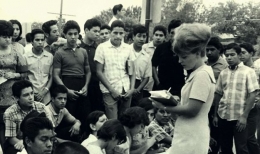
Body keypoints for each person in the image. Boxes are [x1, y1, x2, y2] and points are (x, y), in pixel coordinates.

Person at [151, 23, 215, 154]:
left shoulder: (202, 75)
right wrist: (175, 102)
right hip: (187, 134)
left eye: (184, 57)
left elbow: (192, 110)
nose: (180, 61)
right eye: (178, 56)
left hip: (192, 137)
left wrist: (163, 106)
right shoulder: (197, 73)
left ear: (198, 53)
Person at [213, 43, 259, 154]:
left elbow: (253, 94)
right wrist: (215, 115)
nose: (229, 58)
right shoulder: (223, 73)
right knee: (225, 147)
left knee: (241, 148)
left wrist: (244, 116)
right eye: (226, 55)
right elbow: (218, 94)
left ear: (239, 55)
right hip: (223, 116)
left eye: (232, 54)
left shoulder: (249, 72)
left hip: (240, 117)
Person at [53, 20, 91, 128]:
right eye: (70, 34)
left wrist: (86, 86)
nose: (73, 37)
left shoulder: (83, 51)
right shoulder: (59, 52)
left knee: (84, 115)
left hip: (82, 84)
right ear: (65, 35)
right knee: (69, 117)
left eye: (75, 34)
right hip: (67, 83)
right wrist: (66, 90)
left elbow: (88, 71)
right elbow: (56, 75)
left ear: (79, 35)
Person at [95, 20, 135, 119]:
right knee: (112, 121)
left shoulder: (128, 48)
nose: (118, 36)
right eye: (115, 33)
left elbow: (133, 71)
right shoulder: (102, 48)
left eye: (121, 33)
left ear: (124, 34)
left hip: (126, 90)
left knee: (125, 120)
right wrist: (112, 90)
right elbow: (99, 72)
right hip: (109, 91)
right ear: (110, 33)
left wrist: (131, 89)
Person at [0, 20, 27, 148]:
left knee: (9, 129)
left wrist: (14, 75)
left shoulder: (16, 53)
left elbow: (25, 74)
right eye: (4, 37)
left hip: (11, 96)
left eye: (9, 37)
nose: (8, 40)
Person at [3, 80, 49, 154]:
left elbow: (51, 129)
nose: (31, 97)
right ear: (16, 98)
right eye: (26, 95)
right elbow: (11, 138)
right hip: (18, 143)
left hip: (39, 141)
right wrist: (24, 143)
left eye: (32, 93)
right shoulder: (10, 112)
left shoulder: (42, 107)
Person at [151, 19, 185, 97]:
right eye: (172, 33)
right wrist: (158, 83)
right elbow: (153, 66)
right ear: (169, 34)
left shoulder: (185, 49)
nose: (174, 36)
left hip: (179, 88)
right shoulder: (160, 48)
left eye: (177, 33)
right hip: (161, 87)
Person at [206, 36, 228, 154]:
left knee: (216, 135)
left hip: (217, 105)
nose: (209, 52)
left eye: (212, 49)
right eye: (207, 49)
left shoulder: (225, 65)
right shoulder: (203, 62)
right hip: (203, 102)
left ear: (219, 50)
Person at [239, 42, 259, 154]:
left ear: (251, 53)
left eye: (243, 53)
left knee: (250, 137)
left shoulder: (257, 69)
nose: (241, 55)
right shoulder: (238, 69)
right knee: (243, 138)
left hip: (255, 105)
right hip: (241, 106)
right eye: (239, 53)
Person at [23, 29, 53, 104]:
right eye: (37, 40)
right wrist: (31, 91)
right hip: (30, 95)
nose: (40, 42)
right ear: (32, 42)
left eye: (42, 40)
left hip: (46, 95)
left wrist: (45, 91)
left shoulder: (50, 56)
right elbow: (24, 77)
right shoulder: (25, 57)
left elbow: (51, 76)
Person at [80, 18, 104, 112]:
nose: (97, 34)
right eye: (95, 31)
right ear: (86, 30)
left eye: (99, 31)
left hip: (96, 87)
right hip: (82, 85)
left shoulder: (99, 48)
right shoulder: (78, 47)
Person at [142, 25, 166, 96]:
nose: (158, 37)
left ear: (164, 37)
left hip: (160, 84)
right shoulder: (145, 48)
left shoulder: (166, 49)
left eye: (161, 35)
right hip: (146, 84)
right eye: (156, 35)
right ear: (153, 36)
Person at [131, 25, 152, 105]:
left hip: (139, 86)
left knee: (137, 110)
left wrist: (138, 90)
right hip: (126, 84)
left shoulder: (146, 56)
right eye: (139, 36)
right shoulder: (126, 50)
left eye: (144, 36)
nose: (141, 39)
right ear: (133, 37)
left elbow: (147, 77)